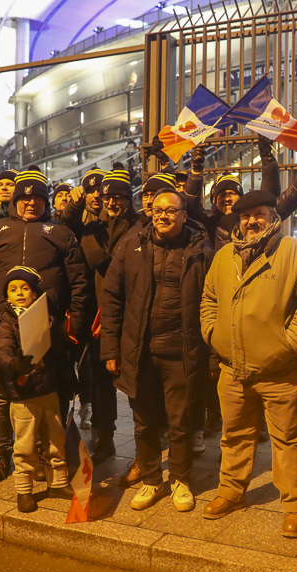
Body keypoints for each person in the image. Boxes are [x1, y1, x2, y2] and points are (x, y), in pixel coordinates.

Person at [200, 190, 297, 538]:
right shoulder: (225, 256)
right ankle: (230, 491)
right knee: (234, 435)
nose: (251, 221)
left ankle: (295, 504)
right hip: (232, 368)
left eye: (258, 214)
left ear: (273, 216)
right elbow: (209, 297)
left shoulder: (296, 253)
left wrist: (291, 343)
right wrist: (212, 333)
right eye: (245, 216)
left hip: (281, 370)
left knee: (289, 440)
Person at [101, 190, 213, 510]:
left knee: (181, 421)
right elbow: (111, 298)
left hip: (182, 351)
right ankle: (151, 479)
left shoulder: (201, 250)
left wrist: (212, 354)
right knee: (144, 421)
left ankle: (180, 478)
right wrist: (111, 348)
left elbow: (213, 303)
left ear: (183, 214)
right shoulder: (132, 245)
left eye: (170, 210)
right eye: (157, 210)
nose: (162, 215)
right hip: (140, 351)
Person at [0, 165, 87, 484]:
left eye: (38, 198)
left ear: (46, 200)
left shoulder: (61, 234)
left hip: (47, 332)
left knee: (49, 396)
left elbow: (79, 283)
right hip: (2, 331)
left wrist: (72, 326)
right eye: (25, 198)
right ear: (14, 200)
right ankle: (1, 454)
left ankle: (44, 453)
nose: (31, 203)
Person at [74, 162, 143, 465]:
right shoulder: (91, 229)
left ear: (129, 200)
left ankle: (146, 440)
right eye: (109, 197)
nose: (114, 202)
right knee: (102, 380)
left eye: (121, 197)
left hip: (130, 315)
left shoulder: (140, 227)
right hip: (98, 316)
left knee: (135, 380)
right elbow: (70, 228)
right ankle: (106, 435)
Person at [0, 266, 74, 513]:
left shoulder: (46, 317)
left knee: (55, 439)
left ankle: (58, 483)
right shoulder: (6, 322)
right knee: (25, 446)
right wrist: (15, 364)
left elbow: (59, 353)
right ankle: (24, 490)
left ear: (34, 292)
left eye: (25, 288)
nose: (19, 293)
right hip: (24, 395)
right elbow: (2, 350)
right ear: (7, 296)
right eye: (13, 289)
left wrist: (68, 378)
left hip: (49, 390)